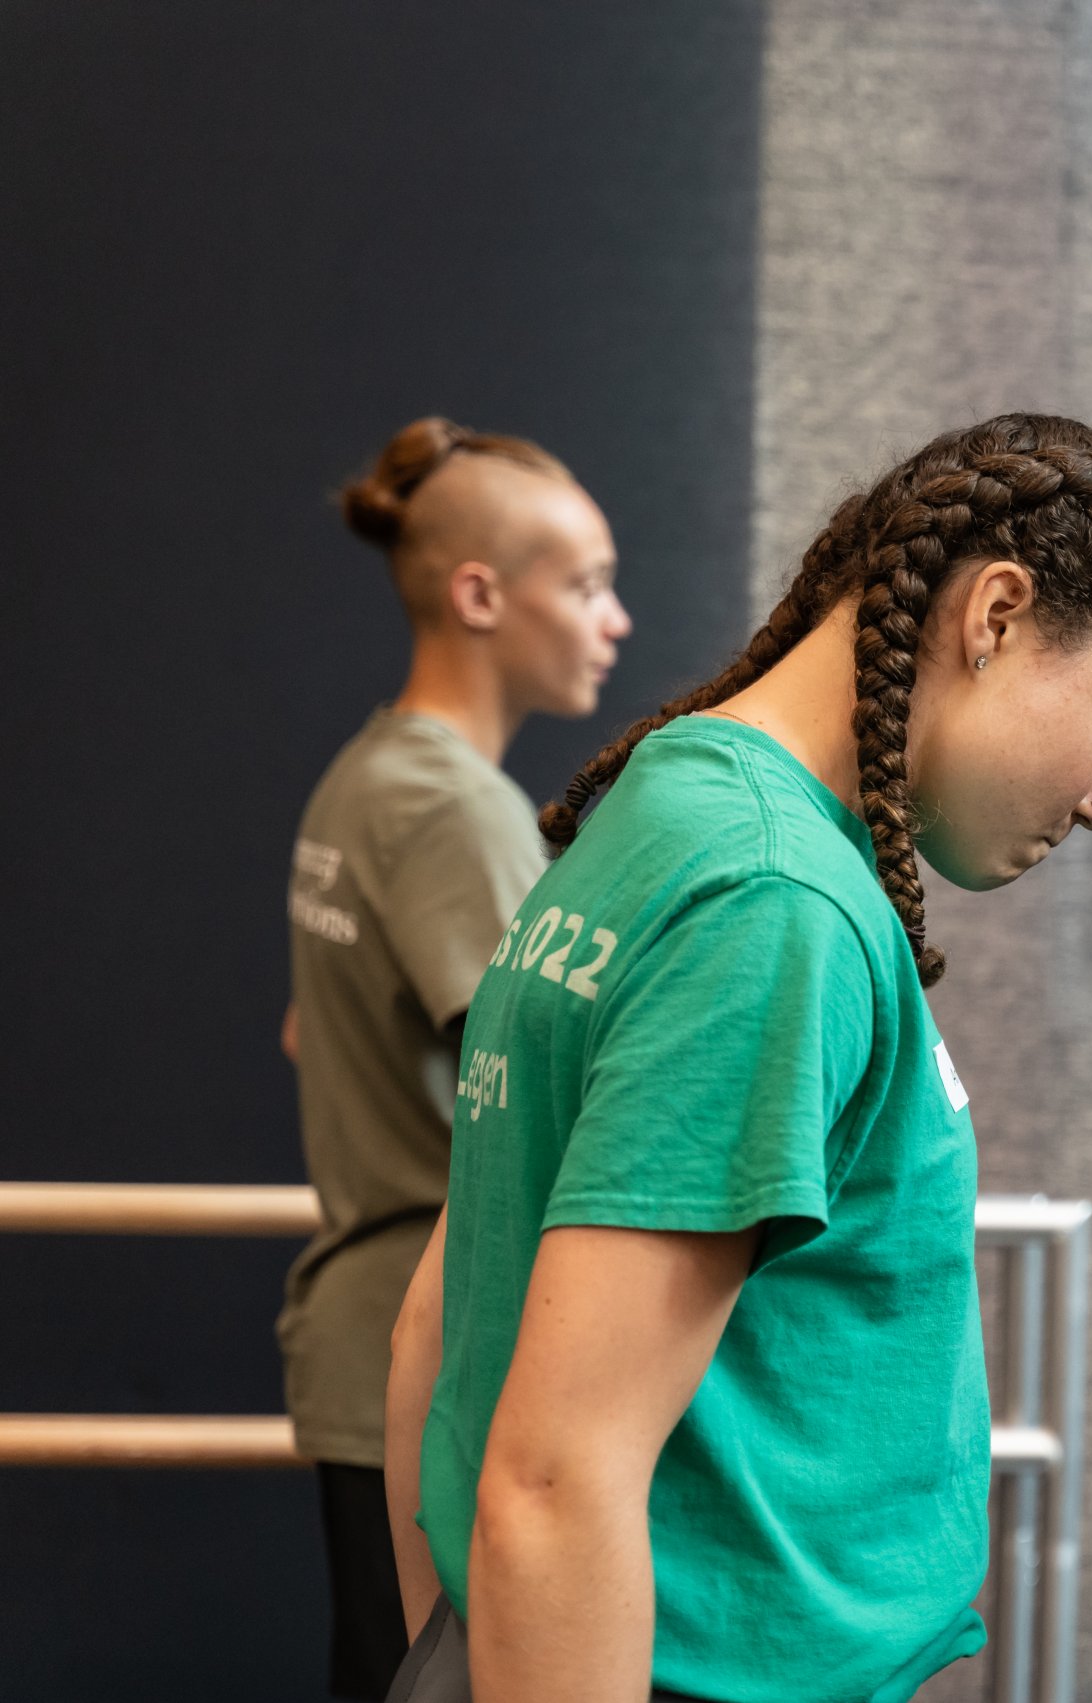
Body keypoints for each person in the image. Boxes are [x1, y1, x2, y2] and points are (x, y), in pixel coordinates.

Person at [381, 414, 1092, 1703]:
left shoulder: (666, 807)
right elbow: (552, 1479)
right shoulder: (774, 901)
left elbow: (440, 1318)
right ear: (995, 614)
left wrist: (456, 1655)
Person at [283, 417, 628, 1700]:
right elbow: (545, 1075)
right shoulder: (447, 806)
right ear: (480, 593)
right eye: (587, 584)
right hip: (420, 1355)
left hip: (377, 1341)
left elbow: (311, 1025)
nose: (616, 621)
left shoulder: (365, 777)